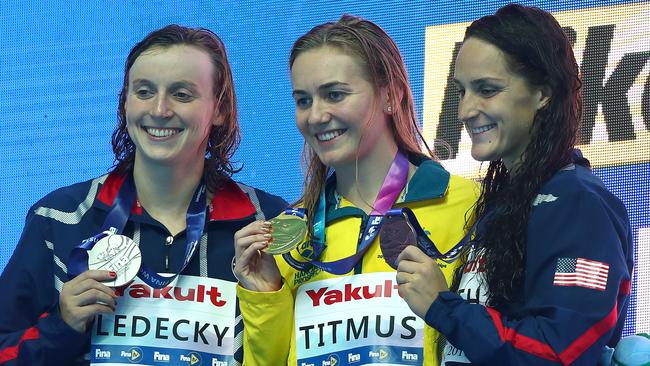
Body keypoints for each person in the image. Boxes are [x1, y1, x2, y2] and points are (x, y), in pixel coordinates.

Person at [0, 25, 286, 365]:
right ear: (125, 102)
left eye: (182, 94)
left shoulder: (267, 223)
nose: (160, 109)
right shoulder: (61, 217)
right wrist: (62, 326)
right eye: (144, 92)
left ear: (219, 109)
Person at [396, 4, 634, 365]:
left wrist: (444, 308)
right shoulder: (504, 202)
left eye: (487, 89)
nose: (464, 111)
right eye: (461, 91)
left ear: (543, 92)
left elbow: (560, 351)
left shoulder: (577, 206)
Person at [234, 15, 479, 365]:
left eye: (334, 95)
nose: (316, 116)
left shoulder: (469, 206)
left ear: (391, 95)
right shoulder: (289, 235)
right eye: (303, 100)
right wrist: (266, 297)